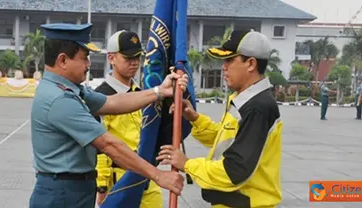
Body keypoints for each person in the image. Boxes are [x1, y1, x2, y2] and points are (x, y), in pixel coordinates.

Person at [29, 23, 187, 208]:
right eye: (84, 58)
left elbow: (112, 102)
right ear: (63, 60)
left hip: (73, 188)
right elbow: (107, 144)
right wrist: (158, 175)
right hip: (62, 193)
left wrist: (159, 91)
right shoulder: (60, 99)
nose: (88, 65)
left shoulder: (70, 90)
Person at [157, 30, 283, 208]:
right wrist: (195, 119)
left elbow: (234, 171)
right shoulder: (244, 100)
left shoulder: (258, 107)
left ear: (251, 64)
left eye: (230, 60)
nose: (223, 66)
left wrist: (187, 164)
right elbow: (226, 141)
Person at [94, 30, 162, 207]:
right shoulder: (100, 97)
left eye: (137, 57)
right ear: (111, 58)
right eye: (128, 58)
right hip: (119, 182)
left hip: (148, 179)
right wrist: (101, 186)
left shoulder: (142, 94)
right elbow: (98, 145)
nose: (134, 63)